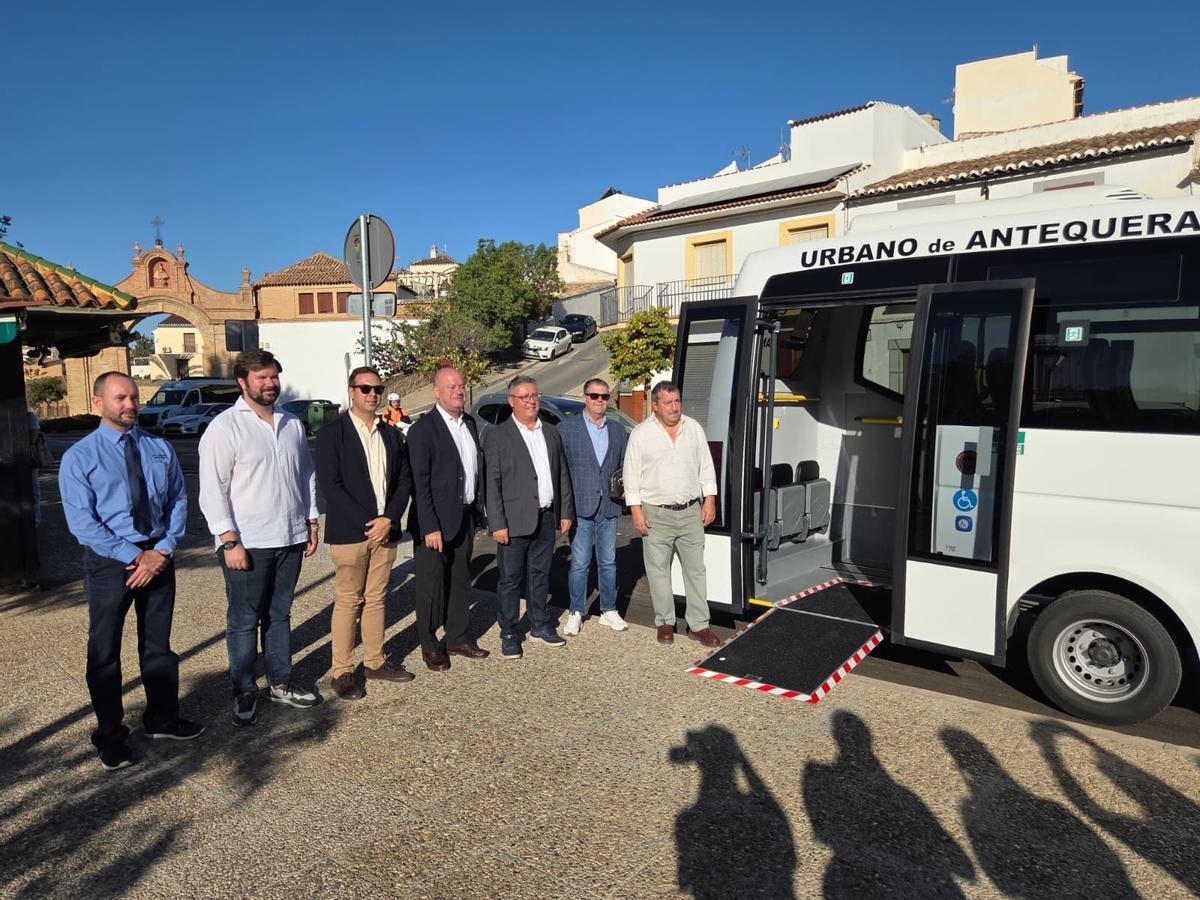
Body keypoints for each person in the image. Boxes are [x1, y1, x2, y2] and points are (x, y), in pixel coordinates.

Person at [59, 372, 203, 770]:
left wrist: (164, 549)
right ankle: (109, 735)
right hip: (111, 561)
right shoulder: (80, 457)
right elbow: (82, 523)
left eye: (134, 397)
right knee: (104, 651)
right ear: (98, 402)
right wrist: (133, 555)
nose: (130, 405)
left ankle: (162, 717)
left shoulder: (159, 448)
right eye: (120, 398)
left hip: (158, 553)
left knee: (158, 644)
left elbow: (177, 499)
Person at [199, 349, 320, 727]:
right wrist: (228, 539)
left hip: (289, 536)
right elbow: (212, 489)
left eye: (273, 377)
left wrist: (311, 521)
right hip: (247, 543)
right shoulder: (225, 427)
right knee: (243, 619)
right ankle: (244, 689)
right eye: (261, 377)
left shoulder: (291, 423)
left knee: (280, 614)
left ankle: (281, 682)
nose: (269, 384)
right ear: (242, 381)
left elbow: (306, 475)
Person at [315, 366, 414, 700]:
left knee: (377, 599)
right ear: (351, 391)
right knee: (348, 601)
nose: (373, 395)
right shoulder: (333, 434)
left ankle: (374, 660)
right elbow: (332, 487)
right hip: (351, 533)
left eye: (377, 389)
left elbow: (404, 480)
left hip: (385, 531)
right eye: (365, 389)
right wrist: (371, 521)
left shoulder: (390, 434)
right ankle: (342, 671)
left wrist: (389, 518)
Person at [622, 381, 721, 648]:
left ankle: (699, 624)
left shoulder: (694, 429)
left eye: (677, 401)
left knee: (696, 570)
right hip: (656, 513)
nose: (675, 408)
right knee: (658, 571)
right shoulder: (641, 434)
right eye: (668, 403)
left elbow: (706, 466)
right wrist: (636, 510)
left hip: (690, 512)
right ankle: (665, 622)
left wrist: (709, 499)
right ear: (655, 406)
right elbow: (630, 474)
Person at [483, 375, 574, 659]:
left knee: (540, 575)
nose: (532, 401)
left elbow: (562, 474)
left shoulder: (550, 432)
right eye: (525, 397)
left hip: (546, 518)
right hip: (513, 521)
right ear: (512, 402)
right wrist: (496, 523)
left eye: (534, 395)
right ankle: (509, 632)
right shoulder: (498, 435)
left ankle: (539, 624)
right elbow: (491, 483)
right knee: (510, 580)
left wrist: (565, 511)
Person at [406, 365, 489, 671]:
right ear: (436, 391)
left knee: (460, 579)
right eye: (451, 386)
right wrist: (430, 526)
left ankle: (456, 635)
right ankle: (429, 644)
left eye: (461, 386)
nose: (458, 391)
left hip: (464, 516)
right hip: (435, 522)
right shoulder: (423, 430)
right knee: (430, 585)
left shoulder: (468, 422)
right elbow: (420, 483)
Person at [557, 378, 627, 636]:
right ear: (585, 397)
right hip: (580, 506)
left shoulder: (618, 431)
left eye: (605, 396)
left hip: (609, 506)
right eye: (595, 395)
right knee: (580, 563)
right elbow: (561, 471)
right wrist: (563, 509)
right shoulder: (567, 429)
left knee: (608, 562)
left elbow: (622, 469)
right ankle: (576, 611)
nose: (600, 400)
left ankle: (608, 610)